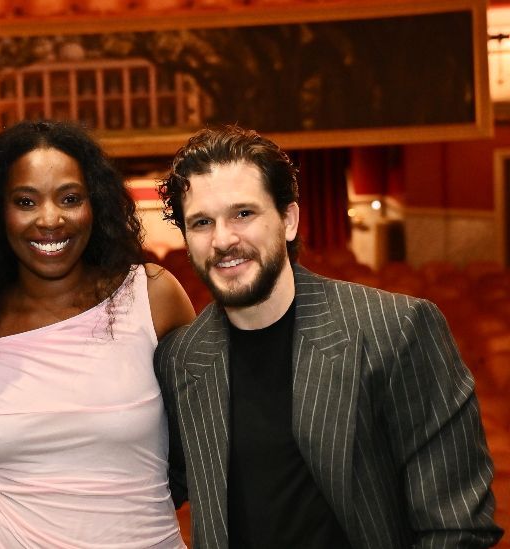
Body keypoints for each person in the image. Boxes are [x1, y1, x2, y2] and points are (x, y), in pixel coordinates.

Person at [154, 124, 504, 548]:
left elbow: (456, 527)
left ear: (288, 220)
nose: (223, 239)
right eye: (202, 222)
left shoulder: (398, 330)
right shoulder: (180, 358)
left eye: (243, 214)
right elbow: (144, 490)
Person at [0, 120, 196, 547]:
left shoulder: (151, 297)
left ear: (95, 204)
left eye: (69, 199)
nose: (50, 219)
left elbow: (207, 439)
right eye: (26, 201)